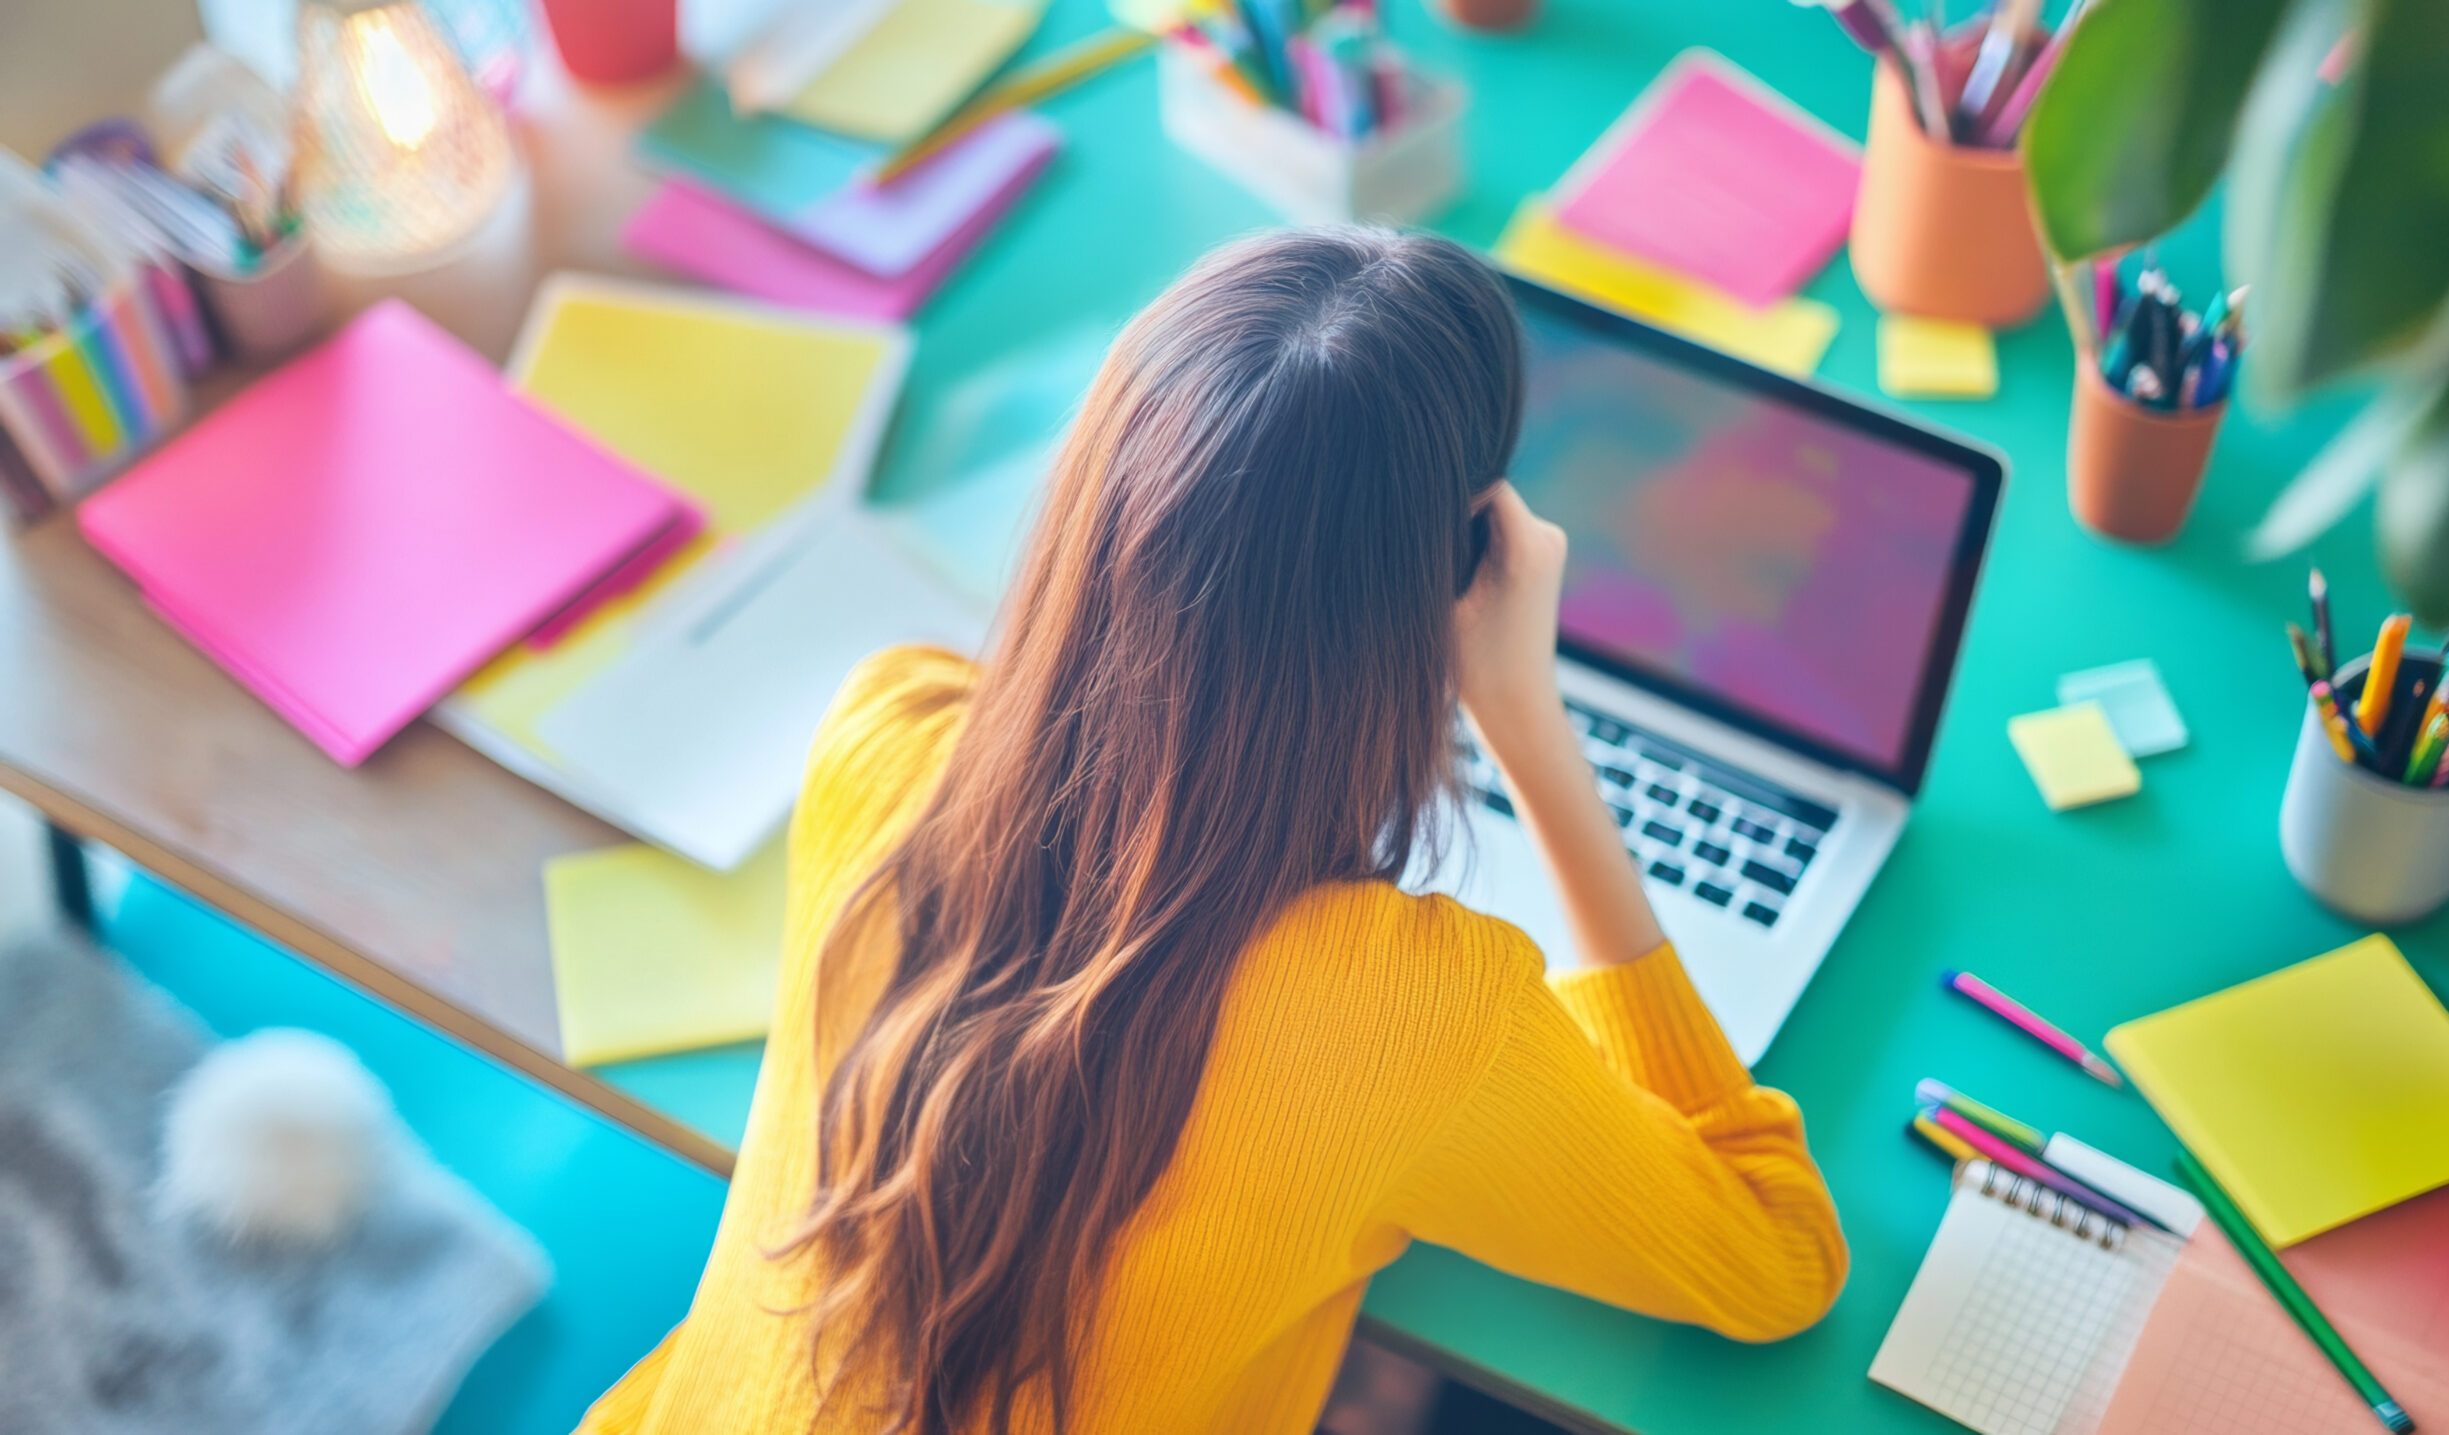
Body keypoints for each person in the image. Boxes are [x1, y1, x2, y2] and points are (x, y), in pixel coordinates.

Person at [577, 228, 1846, 1435]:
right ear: (1457, 580)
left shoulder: (882, 735)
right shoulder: (1410, 1014)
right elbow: (1774, 1252)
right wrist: (1525, 716)